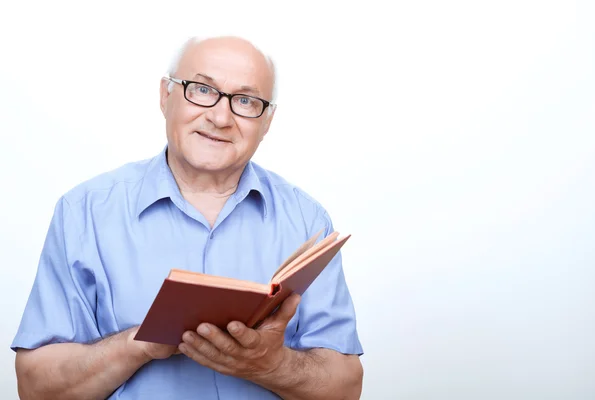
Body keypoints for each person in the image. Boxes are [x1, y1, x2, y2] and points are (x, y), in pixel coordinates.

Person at [11, 35, 363, 399]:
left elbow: (347, 388)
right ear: (166, 96)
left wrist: (272, 366)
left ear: (268, 120)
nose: (220, 117)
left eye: (245, 100)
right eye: (201, 89)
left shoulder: (308, 220)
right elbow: (36, 388)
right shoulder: (83, 212)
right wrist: (140, 344)